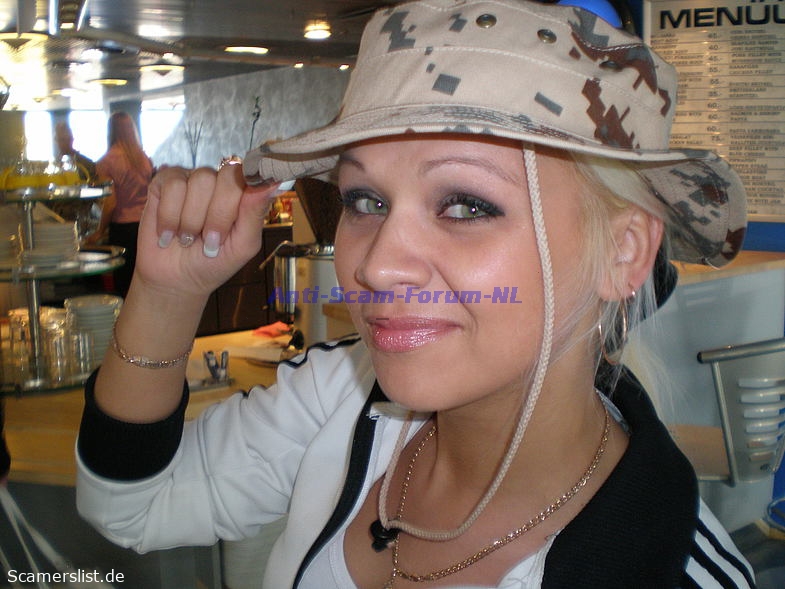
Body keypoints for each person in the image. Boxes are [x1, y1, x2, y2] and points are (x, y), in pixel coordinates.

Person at [75, 1, 754, 588]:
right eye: (364, 200)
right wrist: (167, 293)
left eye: (466, 205)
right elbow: (130, 506)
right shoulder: (343, 397)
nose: (377, 266)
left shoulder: (669, 569)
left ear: (625, 251)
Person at [89, 112, 155, 297]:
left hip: (123, 229)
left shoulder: (106, 162)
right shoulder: (143, 159)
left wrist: (99, 231)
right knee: (144, 282)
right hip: (146, 225)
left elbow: (110, 203)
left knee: (125, 285)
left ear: (111, 131)